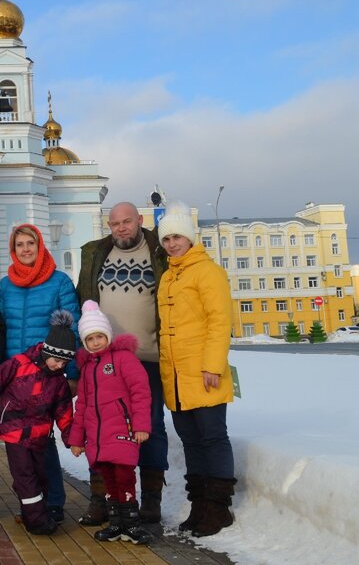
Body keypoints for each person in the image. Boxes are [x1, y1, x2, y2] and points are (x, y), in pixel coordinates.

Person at [75, 201, 170, 523]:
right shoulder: (95, 254)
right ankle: (103, 499)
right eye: (115, 223)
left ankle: (151, 500)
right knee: (102, 429)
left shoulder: (159, 251)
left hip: (148, 358)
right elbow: (83, 301)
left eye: (127, 222)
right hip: (104, 361)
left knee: (151, 427)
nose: (121, 228)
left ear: (140, 221)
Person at [155, 202, 236, 537]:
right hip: (175, 376)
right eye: (167, 238)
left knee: (213, 437)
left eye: (178, 237)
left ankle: (219, 509)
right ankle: (200, 505)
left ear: (190, 238)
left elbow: (220, 321)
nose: (172, 243)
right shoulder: (167, 277)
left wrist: (213, 366)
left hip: (204, 372)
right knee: (190, 441)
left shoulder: (209, 272)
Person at [0, 223, 80, 523]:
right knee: (18, 445)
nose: (26, 249)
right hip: (16, 378)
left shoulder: (59, 282)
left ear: (40, 245)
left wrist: (72, 373)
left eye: (31, 243)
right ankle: (32, 505)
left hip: (48, 375)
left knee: (43, 441)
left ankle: (53, 501)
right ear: (13, 250)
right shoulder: (6, 285)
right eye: (20, 245)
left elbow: (73, 328)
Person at [0, 310, 75, 536]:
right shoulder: (18, 364)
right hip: (15, 432)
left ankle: (32, 512)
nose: (59, 366)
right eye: (56, 360)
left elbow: (64, 413)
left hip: (40, 435)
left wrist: (71, 439)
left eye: (65, 363)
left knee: (40, 476)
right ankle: (37, 521)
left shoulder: (59, 383)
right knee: (25, 476)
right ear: (46, 352)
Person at [66, 301, 153, 545]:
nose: (95, 342)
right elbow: (81, 406)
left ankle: (132, 524)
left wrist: (141, 426)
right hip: (97, 437)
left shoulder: (123, 358)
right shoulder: (86, 369)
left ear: (108, 336)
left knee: (124, 476)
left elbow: (140, 391)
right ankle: (116, 523)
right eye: (90, 338)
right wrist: (76, 439)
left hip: (122, 431)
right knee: (108, 479)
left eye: (99, 336)